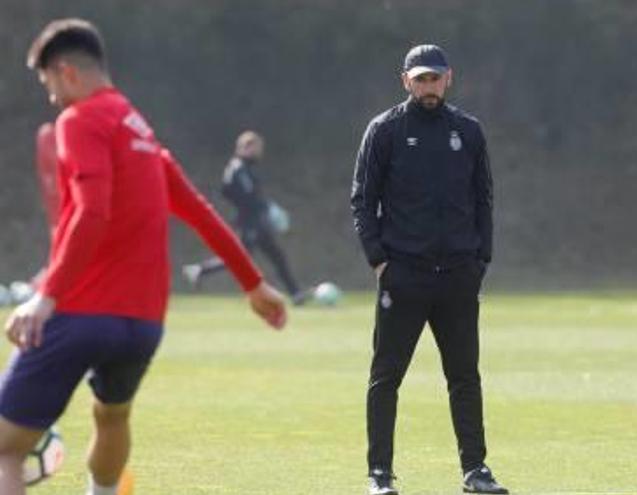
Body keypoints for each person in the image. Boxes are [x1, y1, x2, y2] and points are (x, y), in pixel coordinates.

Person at [0, 18, 288, 495]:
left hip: (78, 312)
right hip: (141, 324)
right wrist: (254, 285)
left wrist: (47, 297)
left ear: (67, 72)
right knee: (111, 415)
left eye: (48, 82)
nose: (50, 96)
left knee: (6, 450)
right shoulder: (143, 136)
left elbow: (92, 213)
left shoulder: (80, 119)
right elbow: (202, 214)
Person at [351, 44, 506, 495]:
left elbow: (484, 199)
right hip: (404, 275)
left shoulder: (468, 132)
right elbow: (363, 199)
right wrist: (378, 260)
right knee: (386, 378)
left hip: (458, 274)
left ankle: (475, 471)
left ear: (448, 79)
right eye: (420, 79)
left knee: (464, 377)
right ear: (406, 81)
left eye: (434, 78)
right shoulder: (385, 130)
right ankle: (380, 475)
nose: (428, 86)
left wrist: (482, 259)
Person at [182, 131, 310, 305]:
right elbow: (240, 194)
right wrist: (264, 209)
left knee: (276, 256)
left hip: (255, 222)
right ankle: (199, 270)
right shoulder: (238, 168)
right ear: (246, 148)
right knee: (241, 258)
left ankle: (295, 293)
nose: (259, 152)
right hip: (250, 223)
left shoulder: (243, 168)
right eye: (256, 148)